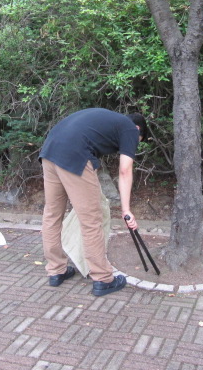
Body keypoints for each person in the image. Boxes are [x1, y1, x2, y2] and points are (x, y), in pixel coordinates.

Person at [39, 108, 147, 296]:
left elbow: (89, 148)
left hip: (49, 150)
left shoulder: (107, 122)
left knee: (52, 214)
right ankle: (103, 278)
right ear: (138, 129)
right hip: (73, 154)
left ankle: (56, 270)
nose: (134, 145)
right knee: (91, 220)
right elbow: (125, 170)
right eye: (139, 142)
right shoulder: (130, 129)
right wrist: (126, 209)